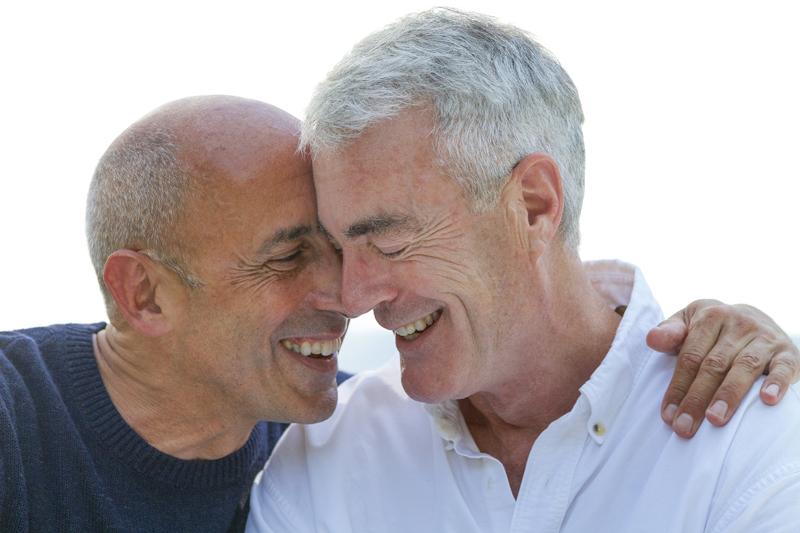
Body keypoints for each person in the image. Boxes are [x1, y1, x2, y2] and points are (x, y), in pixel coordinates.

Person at [248, 9, 800, 532]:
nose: (353, 297)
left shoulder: (755, 437)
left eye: (389, 242)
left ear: (534, 205)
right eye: (341, 248)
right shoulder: (328, 458)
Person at [0, 95, 349, 532]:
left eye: (340, 246)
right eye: (288, 257)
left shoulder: (367, 430)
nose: (348, 293)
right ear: (144, 294)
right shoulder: (14, 423)